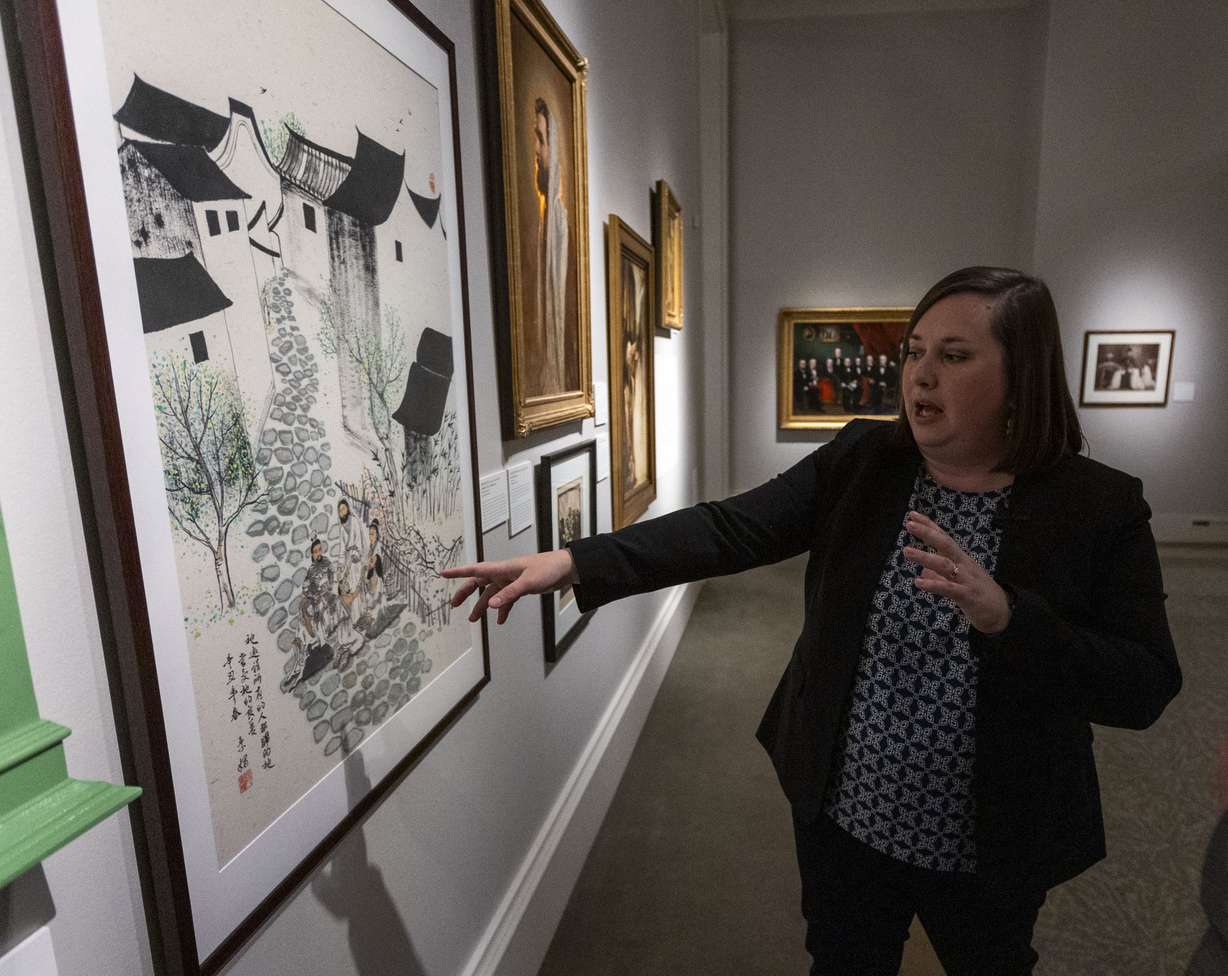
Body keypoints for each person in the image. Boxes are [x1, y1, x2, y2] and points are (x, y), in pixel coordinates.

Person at [443, 266, 1181, 975]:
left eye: (954, 356)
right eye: (916, 352)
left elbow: (1143, 686)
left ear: (1023, 374)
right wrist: (578, 561)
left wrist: (1009, 617)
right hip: (845, 812)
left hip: (990, 835)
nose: (921, 375)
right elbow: (731, 529)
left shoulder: (1098, 506)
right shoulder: (867, 457)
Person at [532, 96, 570, 396]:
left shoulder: (561, 224)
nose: (536, 150)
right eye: (535, 138)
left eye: (542, 140)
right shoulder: (543, 223)